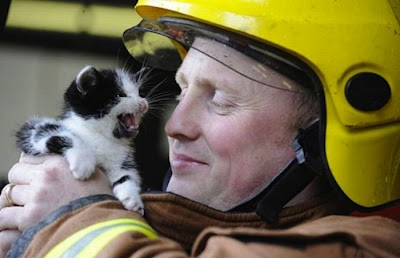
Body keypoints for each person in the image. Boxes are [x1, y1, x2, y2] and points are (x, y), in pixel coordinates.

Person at [1, 0, 400, 257]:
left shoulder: (365, 247)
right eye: (182, 92)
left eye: (221, 99)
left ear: (323, 133)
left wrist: (72, 221)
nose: (174, 126)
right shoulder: (152, 233)